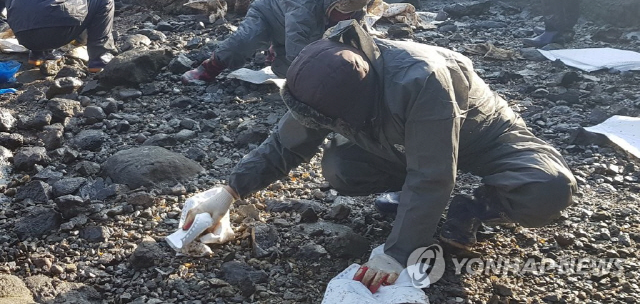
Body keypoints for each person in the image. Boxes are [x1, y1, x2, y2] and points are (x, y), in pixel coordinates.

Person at [179, 20, 577, 293]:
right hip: (396, 138)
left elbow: (432, 175)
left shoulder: (422, 80)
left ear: (356, 106)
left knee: (548, 188)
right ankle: (413, 208)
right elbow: (285, 143)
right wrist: (229, 191)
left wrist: (397, 253)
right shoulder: (330, 71)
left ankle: (474, 206)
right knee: (342, 169)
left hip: (481, 135)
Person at [182, 0, 370, 83]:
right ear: (332, 0)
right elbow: (298, 43)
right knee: (246, 39)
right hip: (267, 14)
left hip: (304, 28)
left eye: (351, 12)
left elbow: (360, 36)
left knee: (291, 70)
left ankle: (277, 56)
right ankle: (209, 66)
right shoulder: (304, 0)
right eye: (343, 10)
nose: (347, 16)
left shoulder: (355, 5)